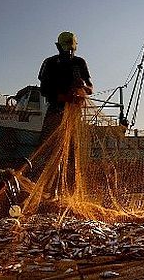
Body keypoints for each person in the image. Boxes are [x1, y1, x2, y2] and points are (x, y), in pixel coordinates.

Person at [35, 31, 93, 179]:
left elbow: (90, 87)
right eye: (65, 48)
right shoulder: (50, 63)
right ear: (58, 47)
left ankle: (67, 187)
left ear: (75, 48)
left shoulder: (79, 63)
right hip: (55, 111)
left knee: (71, 151)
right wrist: (64, 97)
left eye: (71, 48)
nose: (68, 51)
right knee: (50, 149)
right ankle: (47, 185)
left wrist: (84, 89)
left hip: (73, 114)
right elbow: (44, 89)